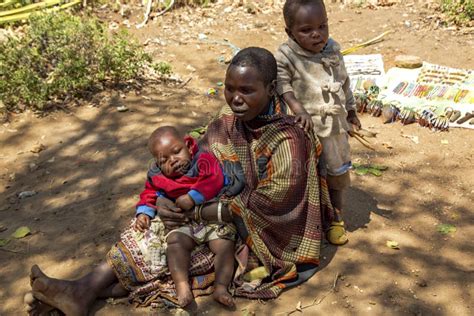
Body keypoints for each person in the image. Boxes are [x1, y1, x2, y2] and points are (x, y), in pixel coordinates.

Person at [25, 47, 335, 315]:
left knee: (186, 258)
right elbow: (196, 163)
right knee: (150, 233)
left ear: (270, 89)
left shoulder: (290, 138)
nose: (235, 99)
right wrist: (164, 201)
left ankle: (79, 293)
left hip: (268, 237)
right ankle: (80, 291)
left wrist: (198, 211)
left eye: (247, 91)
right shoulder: (227, 122)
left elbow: (271, 202)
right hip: (212, 212)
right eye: (229, 88)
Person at [275, 0, 362, 245]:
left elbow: (344, 83)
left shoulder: (333, 49)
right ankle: (306, 220)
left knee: (337, 174)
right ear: (289, 32)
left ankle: (336, 218)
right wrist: (298, 109)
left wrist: (352, 111)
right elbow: (283, 85)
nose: (317, 34)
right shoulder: (286, 55)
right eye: (306, 30)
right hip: (302, 131)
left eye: (322, 26)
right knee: (304, 176)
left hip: (333, 128)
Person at [135, 125, 236, 307]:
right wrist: (144, 212)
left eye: (176, 152)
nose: (172, 161)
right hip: (184, 223)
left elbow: (215, 179)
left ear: (189, 146)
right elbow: (149, 192)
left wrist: (192, 197)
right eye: (164, 160)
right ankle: (182, 286)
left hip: (213, 218)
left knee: (225, 245)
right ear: (157, 164)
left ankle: (221, 287)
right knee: (174, 244)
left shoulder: (203, 161)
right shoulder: (157, 176)